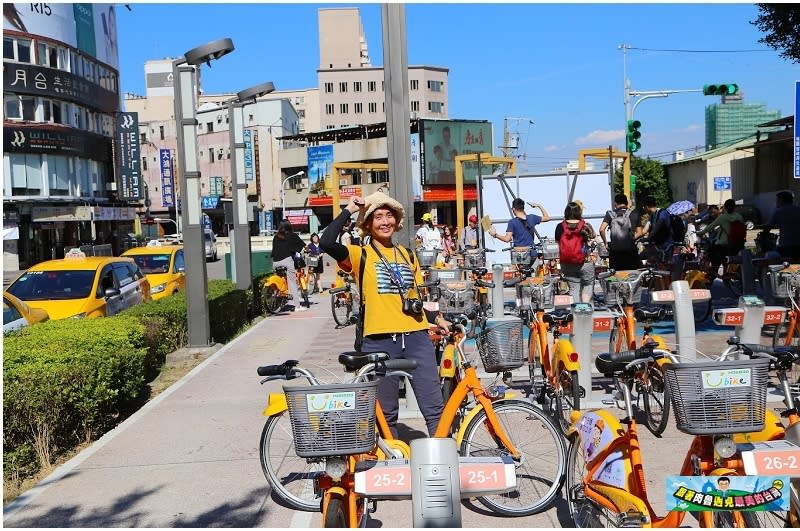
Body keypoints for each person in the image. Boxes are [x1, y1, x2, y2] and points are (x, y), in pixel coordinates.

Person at [319, 191, 448, 437]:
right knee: (385, 412)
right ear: (368, 224)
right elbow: (326, 243)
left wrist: (436, 319)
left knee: (434, 407)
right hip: (379, 339)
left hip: (416, 337)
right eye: (378, 217)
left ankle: (442, 467)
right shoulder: (360, 255)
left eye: (389, 215)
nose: (385, 221)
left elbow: (413, 299)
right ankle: (389, 466)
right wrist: (349, 210)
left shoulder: (408, 255)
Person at [555, 201, 596, 303]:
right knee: (588, 284)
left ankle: (577, 311)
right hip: (585, 262)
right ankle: (585, 306)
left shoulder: (560, 227)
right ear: (579, 212)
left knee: (574, 288)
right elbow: (593, 236)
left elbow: (558, 242)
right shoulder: (585, 225)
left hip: (567, 263)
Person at [696, 199, 745, 276]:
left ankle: (714, 270)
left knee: (712, 252)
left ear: (725, 207)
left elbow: (709, 227)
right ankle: (725, 272)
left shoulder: (723, 217)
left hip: (724, 244)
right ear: (734, 207)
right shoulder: (739, 216)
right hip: (738, 244)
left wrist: (699, 233)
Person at [271, 220, 308, 312]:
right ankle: (297, 306)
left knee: (281, 278)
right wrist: (307, 250)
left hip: (275, 262)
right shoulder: (292, 235)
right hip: (287, 261)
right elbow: (304, 246)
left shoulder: (276, 236)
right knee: (292, 283)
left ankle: (280, 298)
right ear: (289, 226)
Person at [599, 194, 641, 271]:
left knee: (616, 276)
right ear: (626, 202)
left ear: (615, 203)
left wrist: (605, 243)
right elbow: (640, 232)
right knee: (632, 275)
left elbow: (602, 229)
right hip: (630, 251)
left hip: (615, 251)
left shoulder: (610, 214)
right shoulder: (635, 213)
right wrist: (631, 239)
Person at [760, 190, 800, 260]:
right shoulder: (798, 210)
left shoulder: (778, 212)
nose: (776, 202)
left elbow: (767, 228)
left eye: (777, 200)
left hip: (785, 247)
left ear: (781, 200)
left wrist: (763, 237)